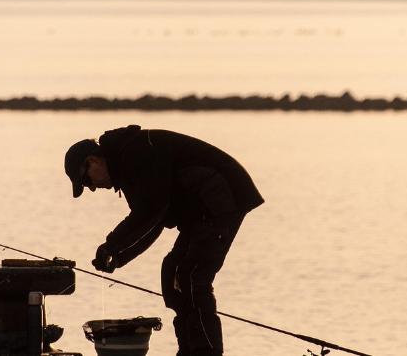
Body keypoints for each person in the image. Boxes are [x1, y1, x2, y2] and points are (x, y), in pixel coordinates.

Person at [64, 125, 264, 356]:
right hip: (200, 212)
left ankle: (206, 352)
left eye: (86, 181)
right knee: (172, 272)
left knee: (191, 275)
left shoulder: (134, 154)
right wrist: (118, 255)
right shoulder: (125, 164)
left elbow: (150, 212)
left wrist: (112, 244)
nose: (91, 188)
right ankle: (188, 349)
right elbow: (153, 222)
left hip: (222, 197)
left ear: (93, 161)